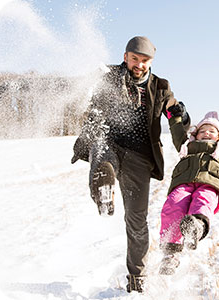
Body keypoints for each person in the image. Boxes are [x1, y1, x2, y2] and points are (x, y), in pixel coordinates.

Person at [70, 36, 190, 293]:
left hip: (140, 157)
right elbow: (88, 94)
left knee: (136, 220)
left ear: (151, 62)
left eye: (145, 60)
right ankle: (102, 187)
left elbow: (172, 113)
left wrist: (180, 115)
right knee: (101, 152)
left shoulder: (160, 87)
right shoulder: (110, 75)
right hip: (110, 142)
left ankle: (137, 279)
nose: (139, 64)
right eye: (135, 59)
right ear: (125, 57)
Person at [158, 100, 219, 275]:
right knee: (173, 203)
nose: (207, 133)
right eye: (203, 131)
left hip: (210, 185)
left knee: (203, 200)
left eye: (212, 131)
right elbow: (177, 132)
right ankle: (170, 254)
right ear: (196, 134)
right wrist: (174, 116)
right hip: (184, 184)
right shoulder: (187, 146)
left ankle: (196, 226)